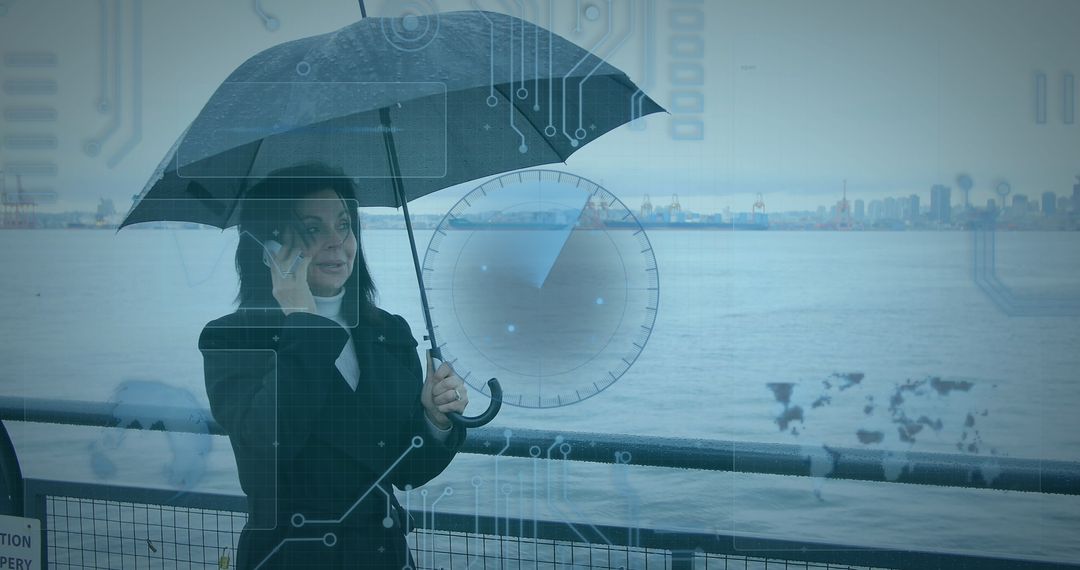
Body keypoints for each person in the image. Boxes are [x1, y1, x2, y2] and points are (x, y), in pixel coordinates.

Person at [198, 163, 469, 569]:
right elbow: (265, 449)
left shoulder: (388, 332)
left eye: (344, 225)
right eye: (313, 229)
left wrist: (435, 420)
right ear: (270, 246)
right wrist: (304, 324)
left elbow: (407, 471)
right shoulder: (234, 338)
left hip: (384, 556)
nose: (337, 242)